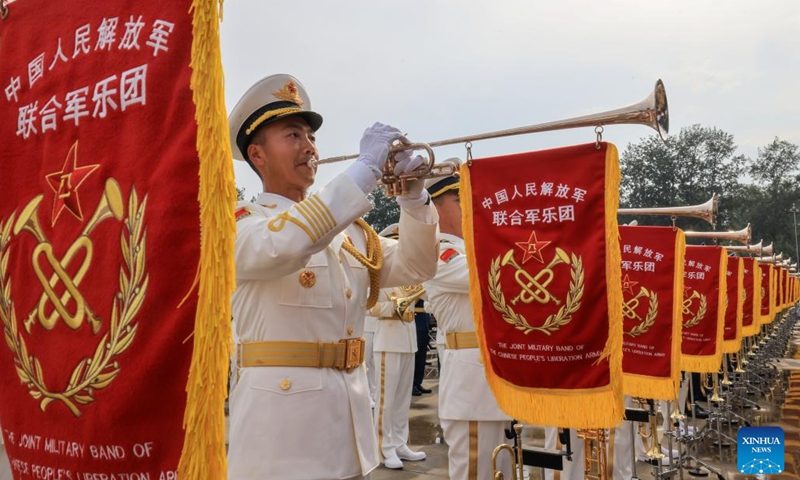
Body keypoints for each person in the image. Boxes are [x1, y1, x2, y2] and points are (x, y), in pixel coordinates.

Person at [227, 74, 439, 480]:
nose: (309, 147)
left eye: (311, 137)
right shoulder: (241, 223)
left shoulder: (350, 231)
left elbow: (417, 266)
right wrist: (362, 172)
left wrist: (414, 199)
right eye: (293, 135)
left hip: (348, 422)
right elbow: (287, 242)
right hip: (282, 432)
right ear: (258, 155)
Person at [421, 161, 512, 480]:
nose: (471, 206)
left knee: (502, 469)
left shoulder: (469, 250)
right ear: (433, 208)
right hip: (472, 386)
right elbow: (495, 275)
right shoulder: (438, 254)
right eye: (460, 200)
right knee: (476, 472)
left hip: (495, 378)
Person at [368, 224, 427, 470]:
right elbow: (369, 306)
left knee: (402, 399)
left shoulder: (408, 277)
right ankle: (384, 447)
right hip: (388, 339)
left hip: (408, 339)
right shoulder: (377, 275)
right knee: (386, 400)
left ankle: (401, 443)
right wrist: (395, 307)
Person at [412, 298, 433, 396]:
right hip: (416, 320)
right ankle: (412, 384)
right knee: (416, 355)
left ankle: (418, 382)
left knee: (422, 355)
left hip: (424, 319)